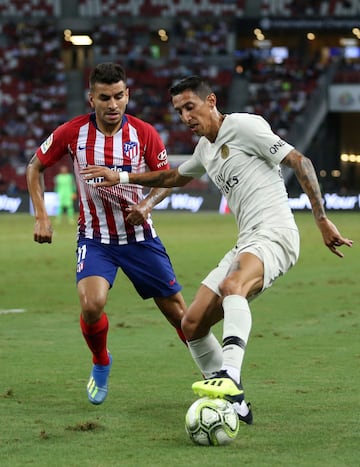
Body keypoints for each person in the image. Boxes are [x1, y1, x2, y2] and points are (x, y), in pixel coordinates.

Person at [80, 75, 353, 424]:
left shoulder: (243, 126)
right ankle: (235, 405)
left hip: (275, 233)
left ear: (211, 102)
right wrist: (121, 178)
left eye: (190, 107)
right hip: (246, 240)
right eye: (179, 111)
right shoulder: (205, 150)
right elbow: (172, 177)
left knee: (232, 287)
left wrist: (322, 219)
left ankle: (230, 378)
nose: (185, 117)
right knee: (191, 324)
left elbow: (300, 161)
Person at [26, 62, 188, 406]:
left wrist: (147, 206)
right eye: (104, 98)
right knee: (91, 303)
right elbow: (35, 166)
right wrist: (42, 216)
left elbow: (166, 179)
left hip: (140, 238)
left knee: (179, 314)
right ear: (91, 99)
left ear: (127, 95)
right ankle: (101, 361)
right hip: (96, 238)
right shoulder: (73, 133)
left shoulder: (144, 133)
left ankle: (216, 372)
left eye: (118, 96)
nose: (112, 104)